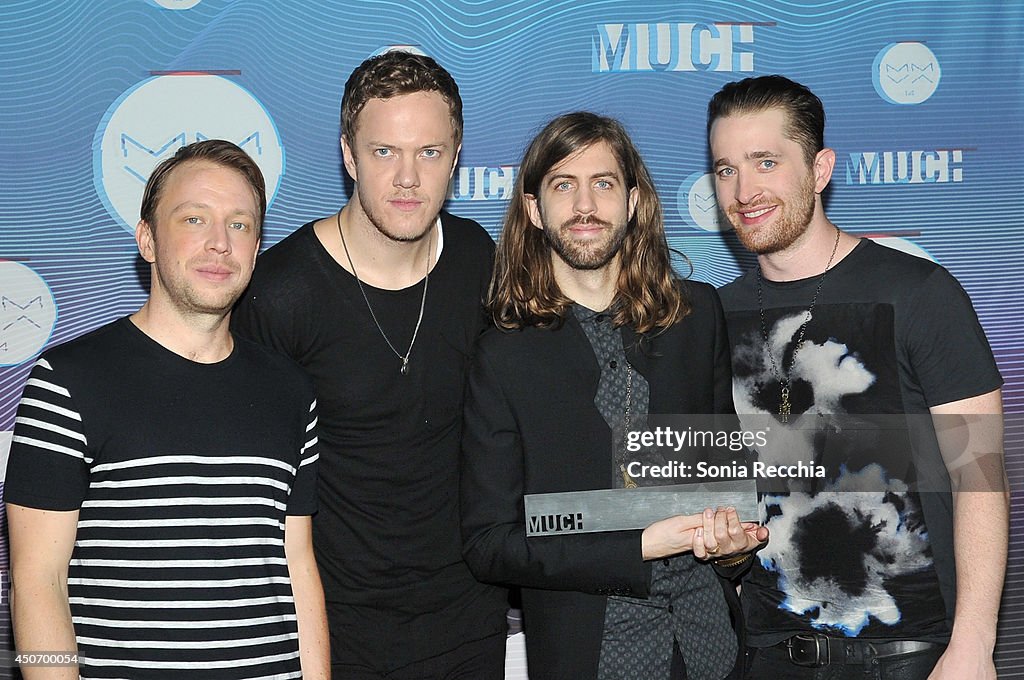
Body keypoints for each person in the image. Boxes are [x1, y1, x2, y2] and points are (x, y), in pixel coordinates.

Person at [708, 75, 1008, 679]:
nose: (744, 190)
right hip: (767, 655)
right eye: (725, 169)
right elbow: (720, 480)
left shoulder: (921, 294)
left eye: (766, 161)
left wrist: (973, 647)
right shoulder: (711, 314)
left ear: (820, 169)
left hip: (913, 655)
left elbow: (980, 477)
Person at [5, 139, 329, 679]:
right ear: (148, 240)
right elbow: (38, 581)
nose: (220, 243)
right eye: (194, 219)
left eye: (240, 224)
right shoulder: (68, 381)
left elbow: (297, 567)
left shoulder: (293, 392)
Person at [460, 111, 767, 680]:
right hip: (589, 657)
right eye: (563, 185)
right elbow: (491, 543)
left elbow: (730, 486)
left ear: (631, 202)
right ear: (534, 209)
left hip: (713, 650)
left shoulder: (695, 318)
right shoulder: (503, 356)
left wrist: (735, 545)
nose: (585, 206)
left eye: (603, 183)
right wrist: (639, 545)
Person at [231, 51, 507, 679]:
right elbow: (251, 499)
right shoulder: (281, 293)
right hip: (334, 627)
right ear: (349, 157)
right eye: (384, 152)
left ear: (456, 156)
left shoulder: (476, 259)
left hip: (469, 619)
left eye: (429, 153)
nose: (407, 178)